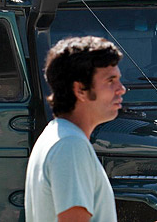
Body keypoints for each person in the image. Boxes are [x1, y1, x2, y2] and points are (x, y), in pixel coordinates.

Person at [24, 36, 126, 222]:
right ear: (80, 90)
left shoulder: (57, 136)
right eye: (110, 80)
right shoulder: (70, 145)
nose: (121, 89)